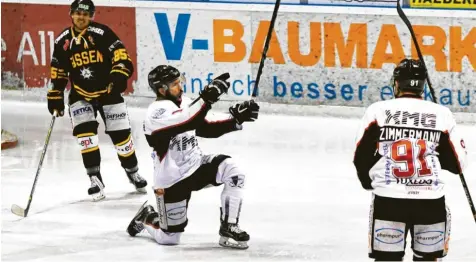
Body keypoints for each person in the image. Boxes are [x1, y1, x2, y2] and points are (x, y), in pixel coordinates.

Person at [126, 65, 259, 249]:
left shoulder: (185, 102)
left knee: (233, 170)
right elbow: (187, 119)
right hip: (172, 181)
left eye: (180, 82)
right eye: (174, 84)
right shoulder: (155, 113)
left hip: (196, 166)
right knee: (169, 238)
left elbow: (205, 126)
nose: (180, 87)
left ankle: (229, 226)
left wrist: (235, 118)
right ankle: (147, 216)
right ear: (161, 89)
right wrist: (207, 97)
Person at [353, 58, 468, 261]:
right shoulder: (442, 114)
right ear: (422, 85)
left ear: (396, 83)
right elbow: (458, 164)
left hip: (388, 200)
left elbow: (360, 156)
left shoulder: (377, 111)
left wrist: (368, 182)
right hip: (430, 203)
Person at [47, 0, 147, 201]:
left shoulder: (102, 33)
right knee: (86, 139)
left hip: (108, 92)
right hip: (80, 94)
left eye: (85, 14)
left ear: (91, 16)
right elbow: (58, 70)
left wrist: (118, 77)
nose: (81, 17)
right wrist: (55, 94)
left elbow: (121, 56)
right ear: (71, 14)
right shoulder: (63, 41)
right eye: (77, 13)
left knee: (121, 138)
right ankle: (95, 179)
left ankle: (132, 171)